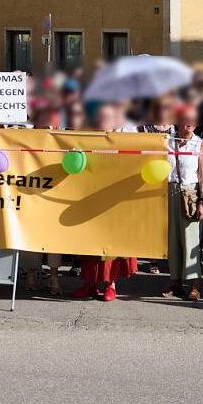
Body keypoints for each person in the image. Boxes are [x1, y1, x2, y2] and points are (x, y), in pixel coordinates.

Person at [75, 103, 140, 301]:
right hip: (90, 197)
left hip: (115, 199)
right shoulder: (87, 138)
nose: (104, 122)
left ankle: (111, 285)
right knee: (89, 243)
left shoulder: (125, 139)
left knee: (112, 245)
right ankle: (90, 283)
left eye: (108, 118)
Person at [162, 106, 203, 300]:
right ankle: (175, 283)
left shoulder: (201, 144)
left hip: (190, 193)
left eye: (193, 119)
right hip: (169, 191)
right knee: (172, 240)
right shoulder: (166, 141)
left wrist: (202, 201)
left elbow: (202, 176)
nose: (190, 123)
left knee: (191, 240)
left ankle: (194, 285)